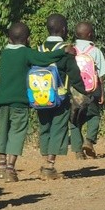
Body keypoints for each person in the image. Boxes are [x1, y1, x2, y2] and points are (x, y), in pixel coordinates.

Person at [0, 22, 72, 182]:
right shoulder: (26, 53)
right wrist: (63, 50)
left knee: (3, 131)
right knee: (17, 133)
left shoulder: (4, 53)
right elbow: (44, 59)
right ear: (28, 39)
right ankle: (10, 169)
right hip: (20, 103)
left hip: (2, 101)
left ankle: (1, 166)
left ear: (9, 38)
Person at [37, 14, 86, 180]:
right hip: (60, 96)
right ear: (64, 29)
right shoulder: (67, 49)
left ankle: (45, 160)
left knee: (45, 127)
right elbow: (74, 74)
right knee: (58, 127)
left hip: (40, 96)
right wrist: (85, 91)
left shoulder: (39, 48)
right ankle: (49, 165)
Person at [70, 22, 105, 159]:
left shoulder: (71, 50)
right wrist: (102, 93)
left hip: (74, 92)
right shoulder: (95, 51)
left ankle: (78, 151)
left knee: (75, 121)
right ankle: (89, 140)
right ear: (90, 34)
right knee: (94, 116)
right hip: (91, 90)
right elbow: (101, 75)